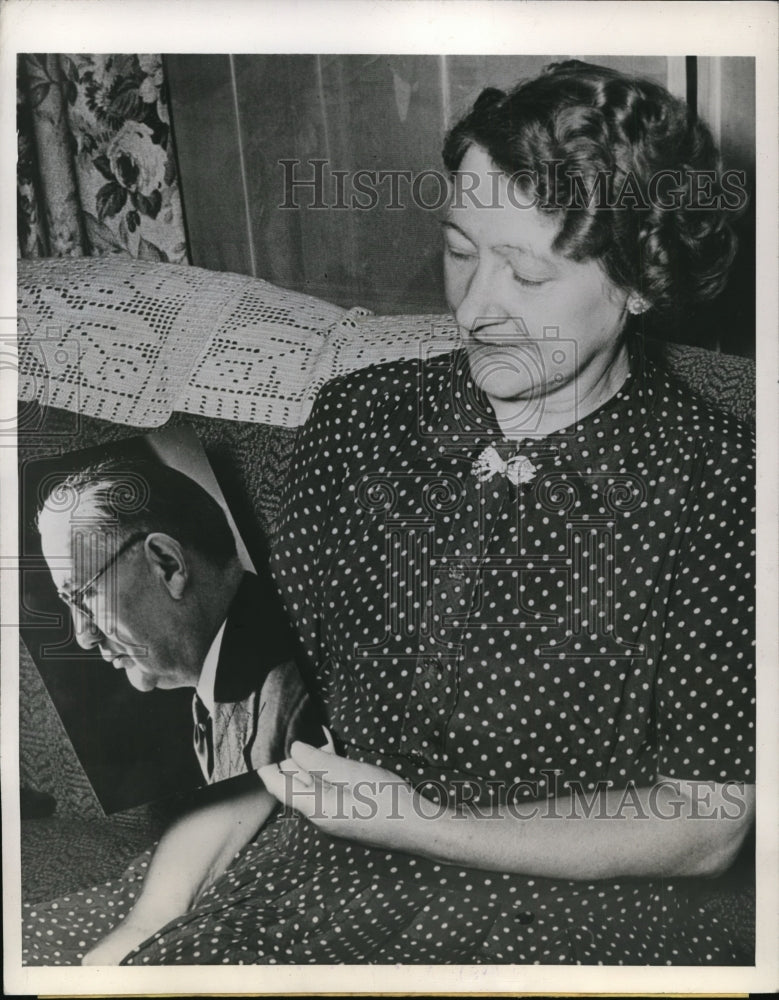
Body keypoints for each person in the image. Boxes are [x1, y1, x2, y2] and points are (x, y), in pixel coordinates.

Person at [23, 59, 755, 967]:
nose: (477, 307)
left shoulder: (719, 481)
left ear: (641, 279)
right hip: (321, 862)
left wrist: (420, 823)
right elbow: (280, 726)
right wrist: (153, 913)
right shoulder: (360, 421)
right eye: (458, 249)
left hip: (575, 906)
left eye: (525, 275)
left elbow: (703, 820)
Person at [36, 458, 318, 785]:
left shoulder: (292, 709)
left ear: (168, 565)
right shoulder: (214, 709)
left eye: (84, 595)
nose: (85, 636)